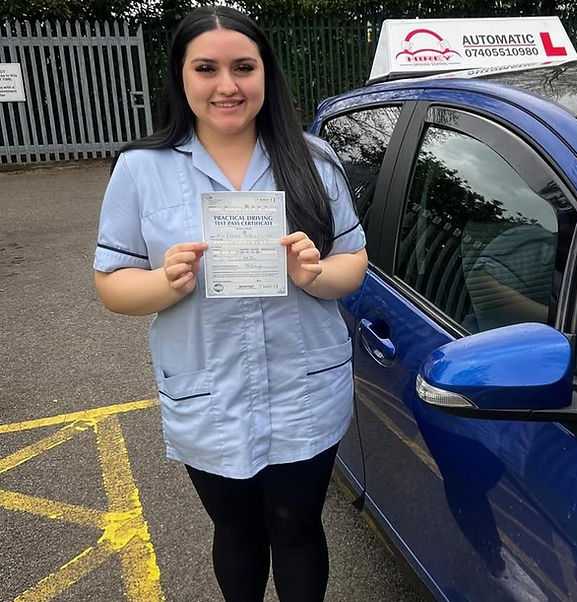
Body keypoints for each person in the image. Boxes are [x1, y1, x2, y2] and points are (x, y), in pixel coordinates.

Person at [92, 6, 367, 602]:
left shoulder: (314, 161)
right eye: (206, 68)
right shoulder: (141, 170)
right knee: (236, 530)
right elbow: (111, 283)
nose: (227, 86)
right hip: (208, 389)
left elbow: (353, 264)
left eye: (243, 67)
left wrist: (312, 274)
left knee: (297, 529)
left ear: (265, 73)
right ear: (181, 77)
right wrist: (166, 283)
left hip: (304, 389)